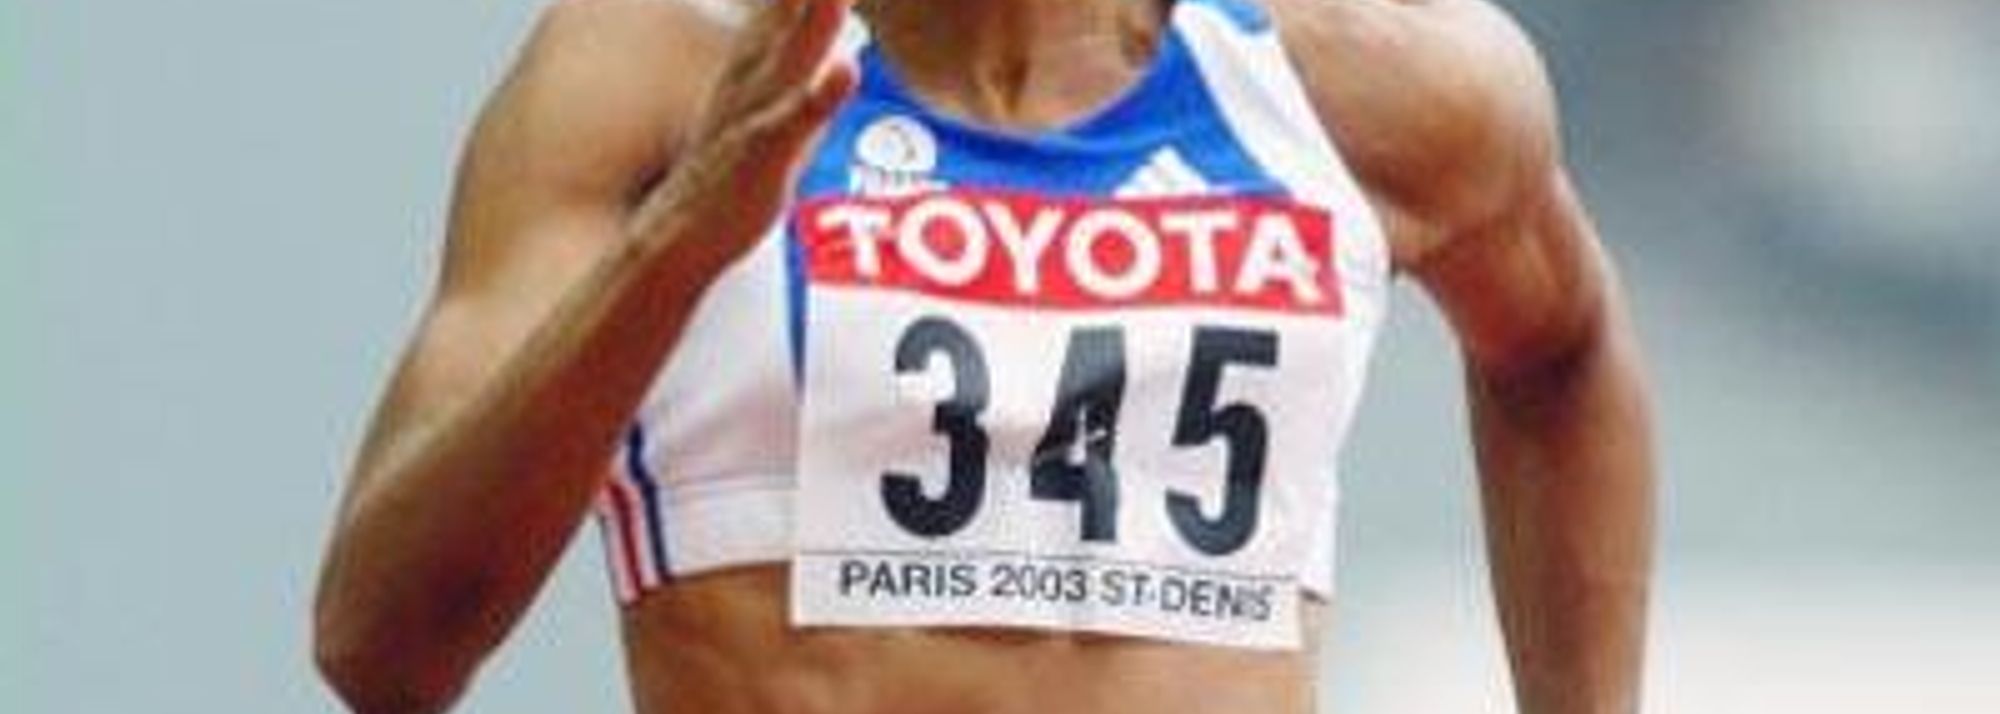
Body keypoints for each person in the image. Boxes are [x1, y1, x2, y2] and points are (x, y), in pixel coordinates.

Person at [311, 0, 1655, 711]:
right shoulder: (652, 77)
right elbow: (383, 646)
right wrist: (674, 246)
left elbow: (1563, 352)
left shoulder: (1375, 90)